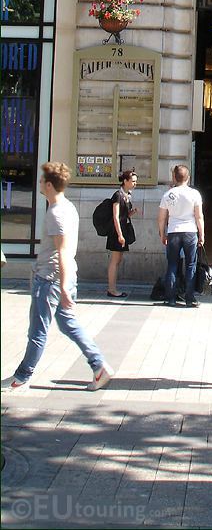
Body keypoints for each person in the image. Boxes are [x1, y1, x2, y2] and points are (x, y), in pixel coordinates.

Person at [1, 162, 113, 393]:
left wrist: (62, 287)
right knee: (68, 324)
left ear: (49, 185)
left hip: (51, 279)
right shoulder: (67, 207)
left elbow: (61, 251)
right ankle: (99, 366)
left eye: (42, 181)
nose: (39, 183)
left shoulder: (56, 213)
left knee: (37, 331)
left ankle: (22, 376)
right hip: (62, 276)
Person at [157, 165, 204, 308]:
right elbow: (199, 216)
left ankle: (170, 298)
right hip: (190, 231)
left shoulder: (168, 195)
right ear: (188, 178)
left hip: (173, 231)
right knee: (191, 265)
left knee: (172, 265)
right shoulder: (195, 194)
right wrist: (201, 234)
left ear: (174, 177)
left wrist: (162, 234)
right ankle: (190, 298)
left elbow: (161, 218)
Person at [106, 169, 138, 298]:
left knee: (118, 259)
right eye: (133, 181)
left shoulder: (127, 194)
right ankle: (112, 289)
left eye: (136, 181)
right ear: (125, 181)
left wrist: (132, 212)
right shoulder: (118, 195)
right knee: (115, 260)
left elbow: (124, 215)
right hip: (117, 231)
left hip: (122, 229)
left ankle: (113, 288)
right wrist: (120, 234)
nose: (135, 184)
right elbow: (116, 216)